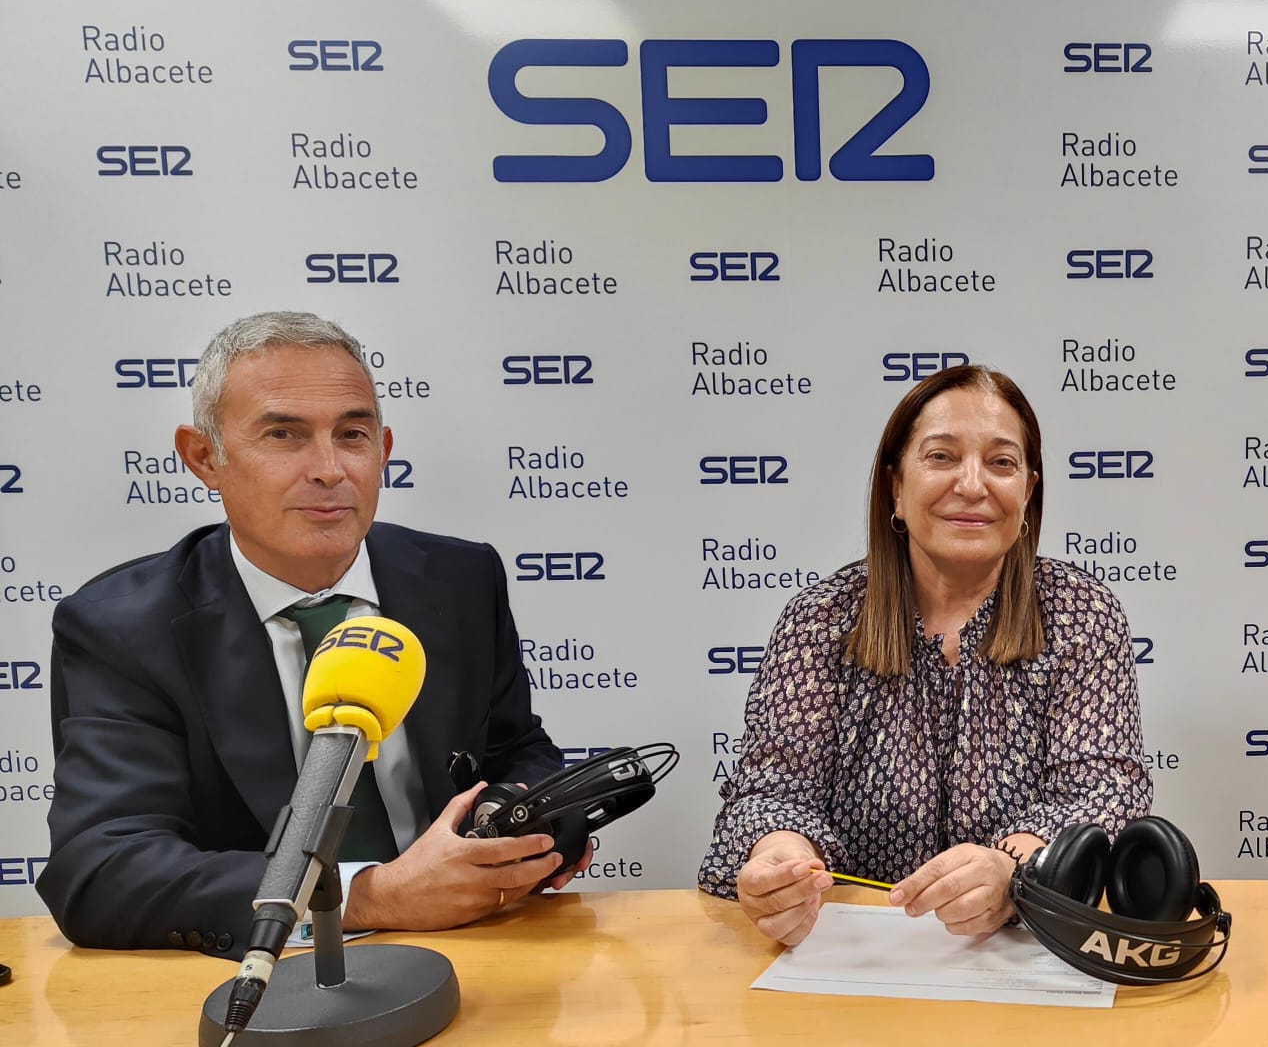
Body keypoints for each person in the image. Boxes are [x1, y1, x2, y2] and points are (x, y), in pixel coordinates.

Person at [39, 312, 584, 958]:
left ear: (382, 451)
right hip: (258, 976)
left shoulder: (460, 580)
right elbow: (103, 871)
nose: (329, 469)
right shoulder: (122, 627)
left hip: (474, 951)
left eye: (351, 435)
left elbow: (515, 750)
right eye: (284, 435)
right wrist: (370, 895)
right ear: (204, 457)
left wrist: (532, 823)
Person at [699, 365, 1153, 944]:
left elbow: (1104, 792)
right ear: (895, 486)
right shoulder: (820, 619)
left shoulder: (1080, 614)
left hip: (1020, 954)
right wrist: (781, 860)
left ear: (1028, 492)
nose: (972, 485)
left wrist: (1012, 869)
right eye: (941, 457)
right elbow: (771, 792)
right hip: (854, 953)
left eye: (1002, 463)